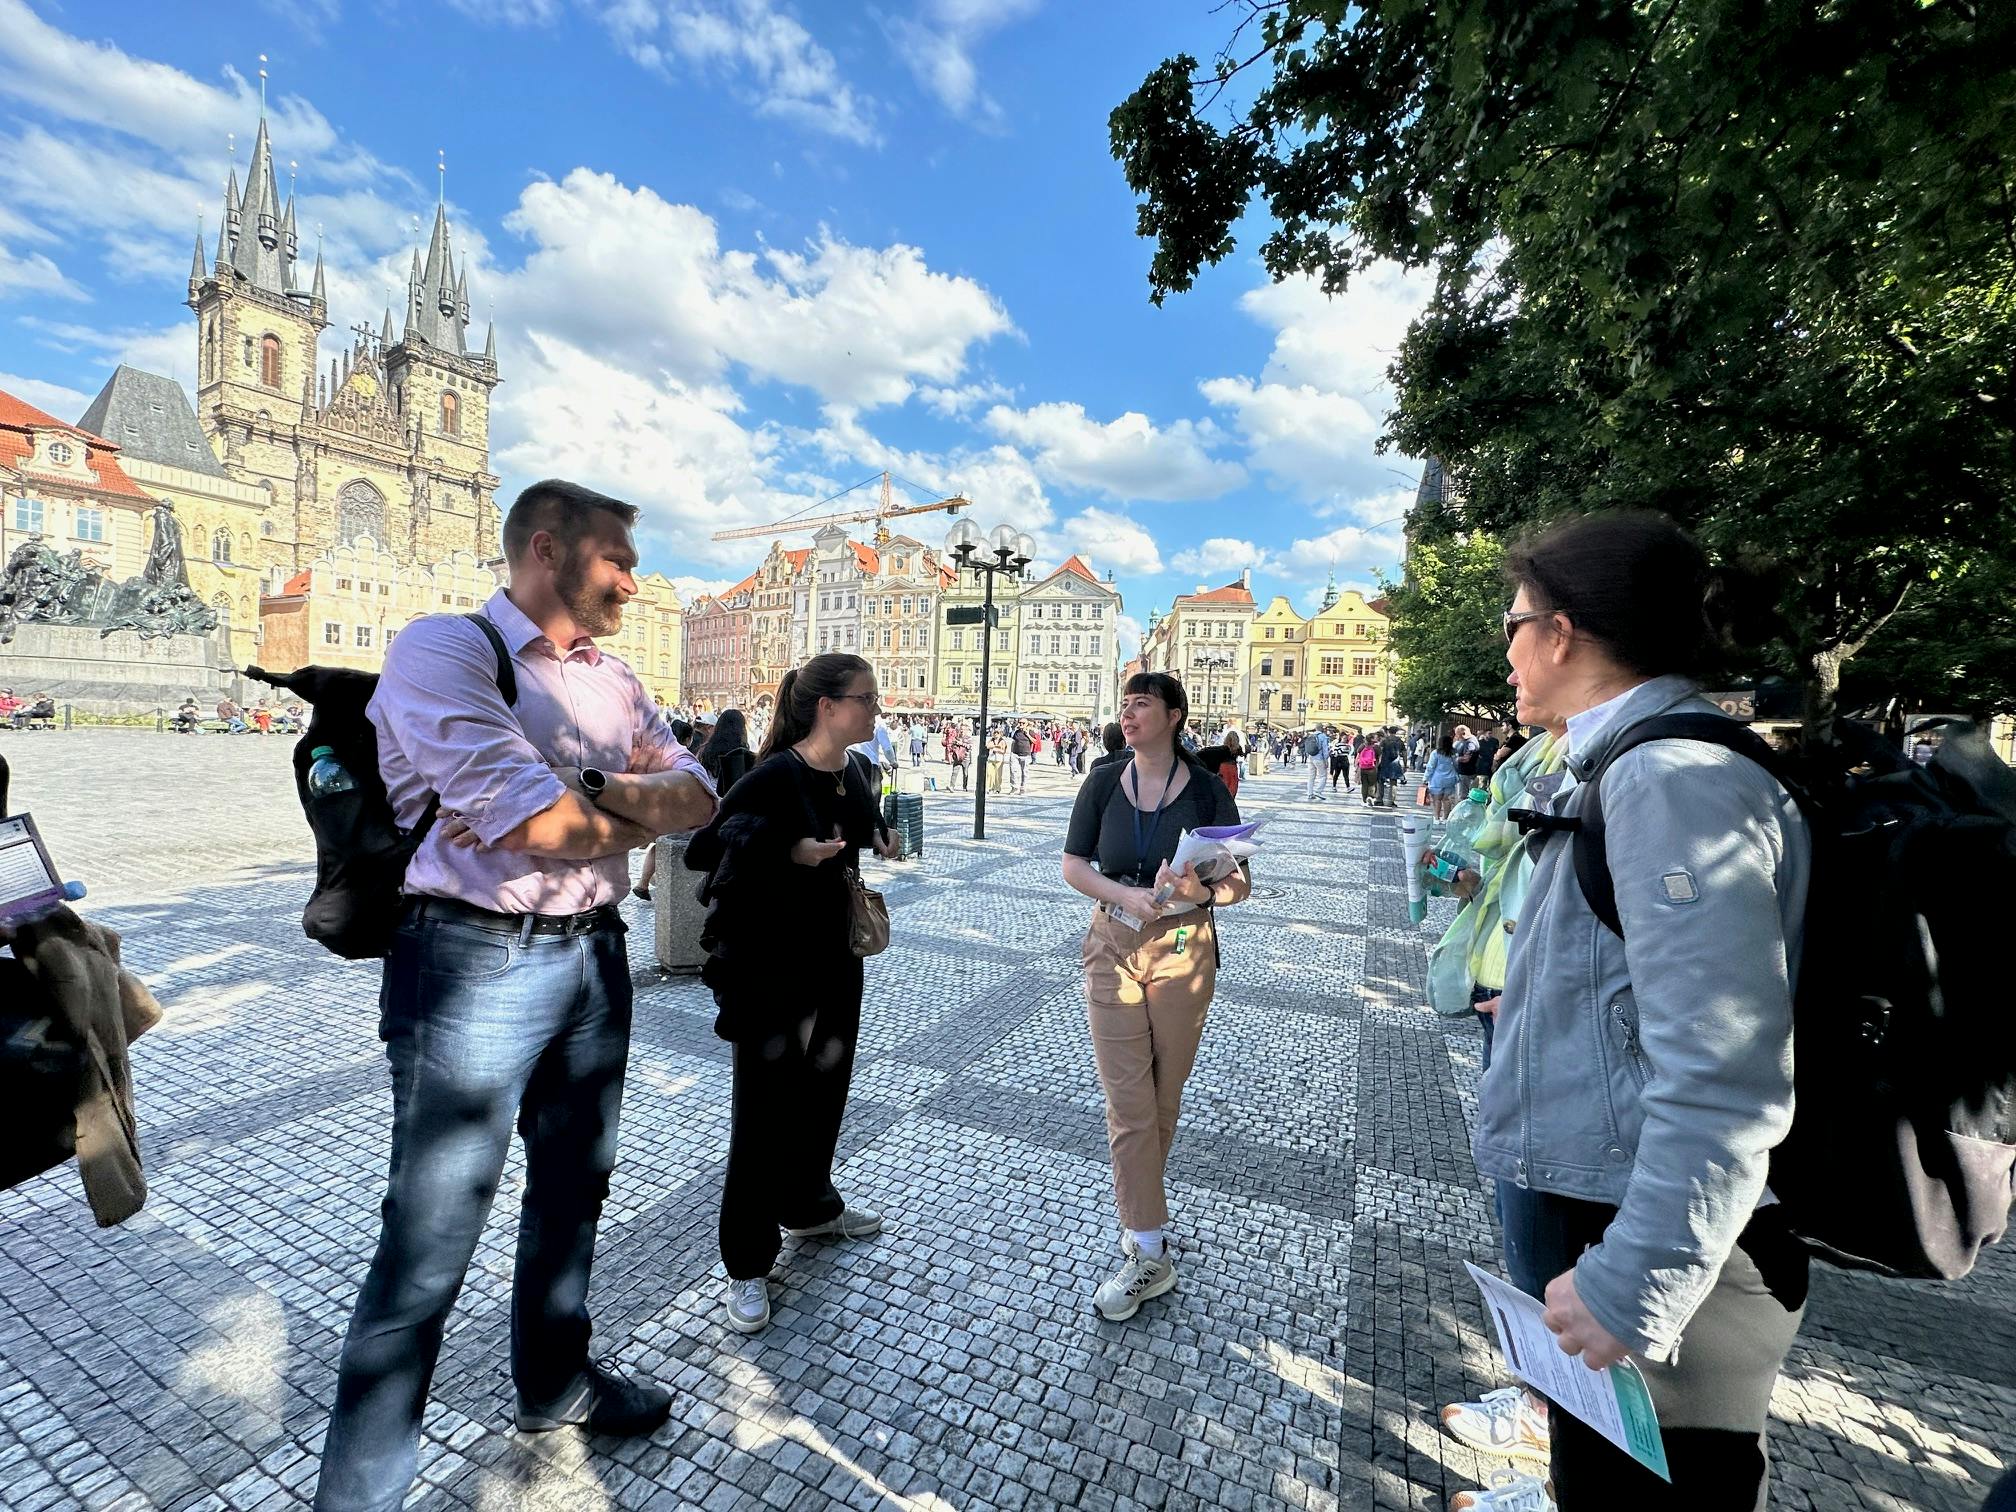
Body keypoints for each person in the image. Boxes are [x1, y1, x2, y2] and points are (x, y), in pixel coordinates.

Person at [316, 480, 718, 1512]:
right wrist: (623, 809)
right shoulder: (445, 651)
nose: (632, 580)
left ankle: (556, 1385)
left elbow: (699, 795)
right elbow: (526, 825)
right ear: (548, 550)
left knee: (576, 1187)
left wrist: (585, 796)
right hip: (468, 961)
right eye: (617, 560)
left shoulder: (615, 677)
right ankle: (359, 1495)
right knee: (430, 1234)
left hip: (593, 955)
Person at [1477, 510, 1807, 1508]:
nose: (1508, 650)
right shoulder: (1641, 763)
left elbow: (1723, 1073)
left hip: (1648, 1242)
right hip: (1618, 1214)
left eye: (1512, 623)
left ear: (1563, 632)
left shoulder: (1670, 777)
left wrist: (1634, 1281)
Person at [685, 654, 899, 1333]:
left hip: (837, 957)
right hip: (772, 965)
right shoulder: (775, 774)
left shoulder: (854, 772)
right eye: (865, 698)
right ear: (827, 707)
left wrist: (884, 837)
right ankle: (746, 1265)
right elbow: (706, 850)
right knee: (763, 1112)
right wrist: (787, 852)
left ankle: (809, 1207)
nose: (875, 709)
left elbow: (859, 832)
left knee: (825, 1089)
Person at [1061, 672, 1249, 1320]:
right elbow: (1074, 864)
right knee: (1130, 1102)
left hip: (1182, 951)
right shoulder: (1101, 779)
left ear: (1173, 714)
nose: (1128, 712)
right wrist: (1124, 895)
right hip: (1113, 943)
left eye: (1141, 703)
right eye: (1124, 703)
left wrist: (1199, 891)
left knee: (1162, 1098)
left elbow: (1239, 882)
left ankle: (1143, 1214)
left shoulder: (1203, 788)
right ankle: (1148, 1249)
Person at [1430, 711, 1568, 1482]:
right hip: (1506, 998)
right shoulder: (1543, 749)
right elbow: (1512, 867)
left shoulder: (1607, 751)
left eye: (1516, 625)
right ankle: (1546, 1411)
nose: (1507, 659)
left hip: (1539, 1014)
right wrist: (1460, 878)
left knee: (1547, 1222)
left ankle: (1549, 1422)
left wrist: (1531, 989)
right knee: (1526, 1212)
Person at [1196, 729, 1243, 799]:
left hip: (1223, 770)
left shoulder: (1221, 750)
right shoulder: (1236, 750)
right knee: (1231, 790)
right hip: (1232, 770)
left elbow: (1204, 753)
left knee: (1222, 790)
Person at [1423, 737, 1460, 820]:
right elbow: (1456, 765)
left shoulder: (1435, 753)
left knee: (1437, 800)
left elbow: (1430, 767)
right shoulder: (1453, 753)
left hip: (1437, 780)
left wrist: (1425, 778)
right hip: (1450, 779)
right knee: (1446, 799)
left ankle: (1436, 818)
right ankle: (1445, 818)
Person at [1302, 725, 1330, 801]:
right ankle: (1318, 791)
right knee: (1323, 776)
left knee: (1311, 776)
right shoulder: (1323, 736)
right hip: (1319, 758)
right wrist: (1326, 760)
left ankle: (1310, 793)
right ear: (1322, 729)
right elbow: (1325, 749)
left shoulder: (1311, 735)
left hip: (1311, 758)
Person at [1452, 723, 1480, 790]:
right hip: (1466, 772)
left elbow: (1466, 758)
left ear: (1463, 734)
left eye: (1458, 735)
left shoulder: (1470, 742)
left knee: (1462, 795)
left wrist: (1456, 759)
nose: (1457, 737)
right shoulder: (1469, 740)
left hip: (1466, 773)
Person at [945, 719, 971, 790]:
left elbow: (969, 747)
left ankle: (964, 787)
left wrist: (961, 744)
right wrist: (954, 744)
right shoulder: (957, 737)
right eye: (961, 729)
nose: (962, 731)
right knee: (954, 772)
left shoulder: (969, 738)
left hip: (966, 758)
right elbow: (953, 745)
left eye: (963, 729)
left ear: (967, 730)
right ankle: (951, 786)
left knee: (965, 773)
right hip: (957, 757)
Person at [1010, 723, 1034, 793]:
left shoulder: (1030, 732)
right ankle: (1014, 787)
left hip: (1025, 754)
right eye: (1020, 722)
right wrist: (1011, 752)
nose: (1021, 724)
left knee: (1024, 772)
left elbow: (1035, 742)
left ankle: (1023, 787)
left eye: (1023, 723)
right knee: (1013, 770)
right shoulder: (1017, 732)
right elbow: (1013, 741)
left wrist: (1028, 735)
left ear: (1026, 724)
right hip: (1015, 754)